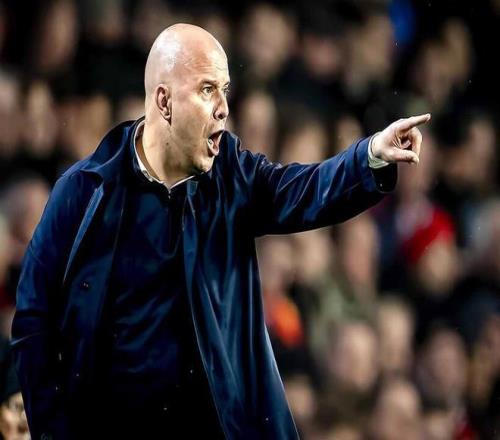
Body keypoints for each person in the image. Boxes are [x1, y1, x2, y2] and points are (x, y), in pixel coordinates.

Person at [10, 23, 430, 439]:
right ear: (164, 101)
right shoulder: (85, 191)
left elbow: (302, 190)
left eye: (225, 90)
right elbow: (33, 319)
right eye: (208, 89)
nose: (224, 108)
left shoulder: (231, 174)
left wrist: (370, 155)